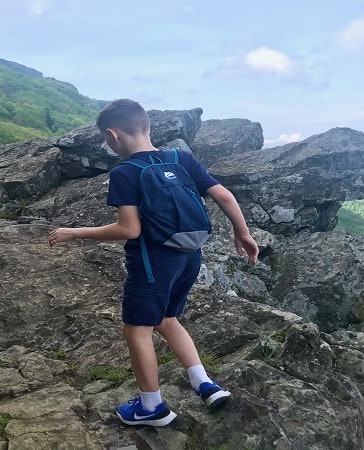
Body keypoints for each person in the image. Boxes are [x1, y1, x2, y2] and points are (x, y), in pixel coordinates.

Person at [48, 99, 259, 427]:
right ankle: (205, 383)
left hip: (153, 262)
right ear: (146, 127)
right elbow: (225, 196)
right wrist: (242, 233)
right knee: (168, 319)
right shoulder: (180, 158)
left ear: (112, 135)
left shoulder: (126, 172)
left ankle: (152, 407)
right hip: (190, 255)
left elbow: (129, 229)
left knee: (137, 329)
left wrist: (76, 233)